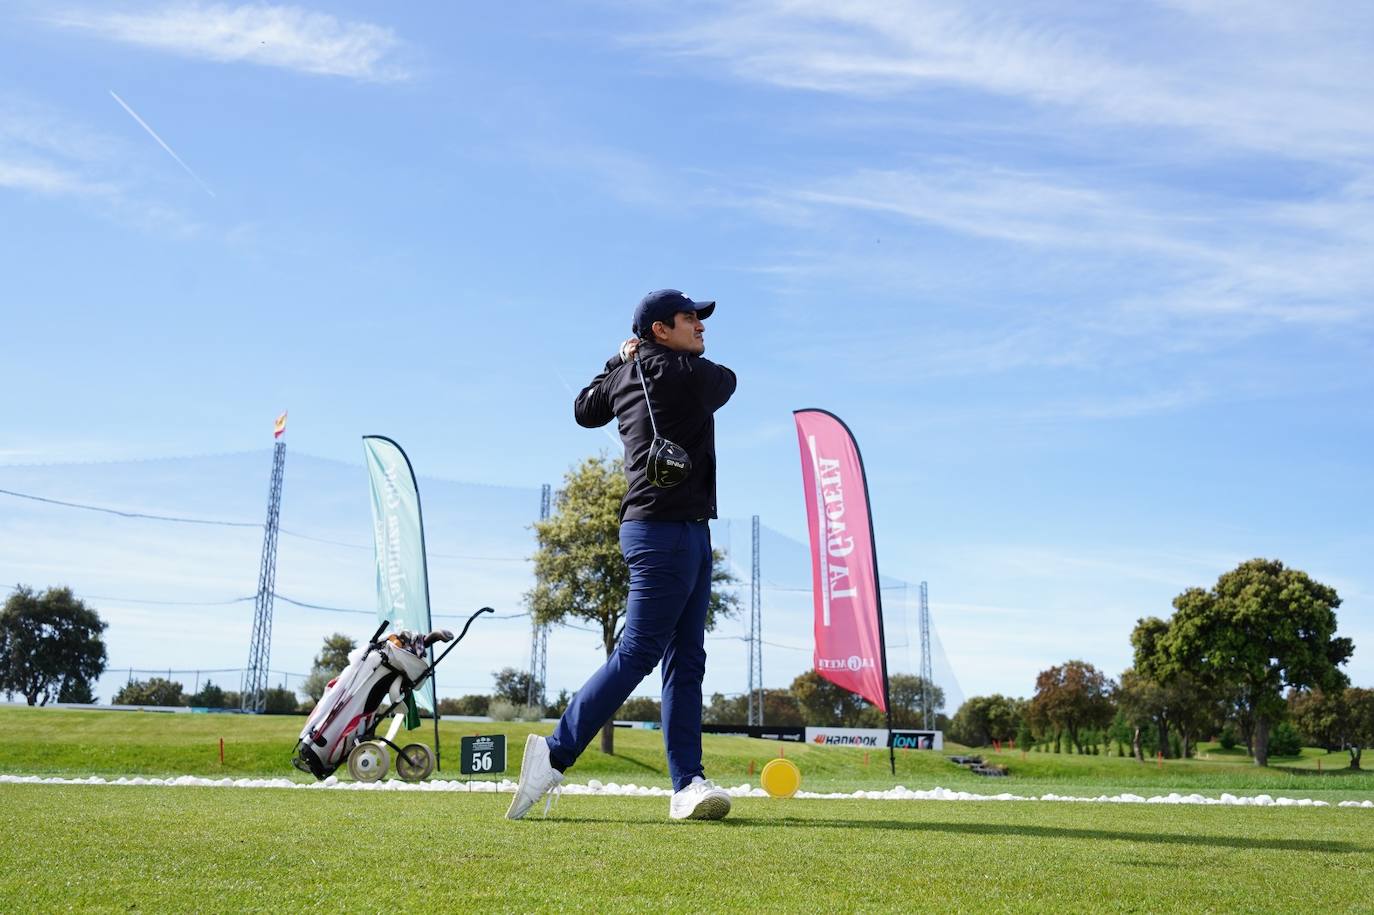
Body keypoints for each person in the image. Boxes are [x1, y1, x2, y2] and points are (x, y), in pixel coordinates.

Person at [506, 289, 738, 821]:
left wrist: (619, 359)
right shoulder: (687, 374)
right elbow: (727, 382)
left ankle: (687, 784)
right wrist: (645, 359)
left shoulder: (629, 373)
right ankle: (555, 753)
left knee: (686, 659)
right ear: (660, 329)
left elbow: (585, 409)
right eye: (689, 318)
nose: (700, 326)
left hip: (676, 530)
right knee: (639, 653)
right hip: (665, 533)